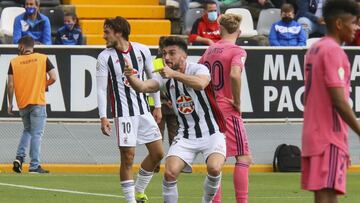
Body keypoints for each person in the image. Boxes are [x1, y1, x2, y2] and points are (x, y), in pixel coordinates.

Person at [124, 36, 227, 203]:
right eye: (164, 53)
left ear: (184, 56)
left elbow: (201, 84)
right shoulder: (165, 75)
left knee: (214, 168)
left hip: (212, 132)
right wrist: (130, 76)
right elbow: (143, 87)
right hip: (186, 134)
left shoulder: (198, 68)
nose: (166, 58)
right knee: (170, 172)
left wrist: (175, 74)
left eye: (172, 53)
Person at [96, 16, 164, 203]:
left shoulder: (142, 50)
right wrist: (103, 116)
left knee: (158, 153)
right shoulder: (104, 57)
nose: (104, 36)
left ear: (119, 32)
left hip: (144, 111)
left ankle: (139, 189)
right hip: (123, 114)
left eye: (107, 32)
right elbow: (101, 89)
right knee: (128, 157)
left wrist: (156, 105)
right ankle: (130, 200)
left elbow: (154, 79)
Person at [302, 0, 360, 202]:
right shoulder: (333, 51)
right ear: (338, 23)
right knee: (327, 194)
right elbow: (338, 99)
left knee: (326, 193)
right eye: (353, 22)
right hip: (329, 135)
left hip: (314, 134)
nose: (356, 27)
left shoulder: (315, 49)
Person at [199, 13, 252, 203]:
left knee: (216, 160)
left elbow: (198, 76)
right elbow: (235, 75)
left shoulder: (209, 50)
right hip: (227, 110)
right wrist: (237, 101)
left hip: (209, 110)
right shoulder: (238, 51)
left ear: (220, 29)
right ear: (239, 31)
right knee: (243, 158)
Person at [7, 36, 57, 174]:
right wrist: (42, 85)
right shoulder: (42, 58)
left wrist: (10, 103)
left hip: (23, 103)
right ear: (32, 46)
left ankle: (19, 157)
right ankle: (34, 165)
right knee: (37, 133)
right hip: (37, 101)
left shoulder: (14, 62)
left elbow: (10, 85)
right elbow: (53, 77)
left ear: (22, 46)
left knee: (27, 130)